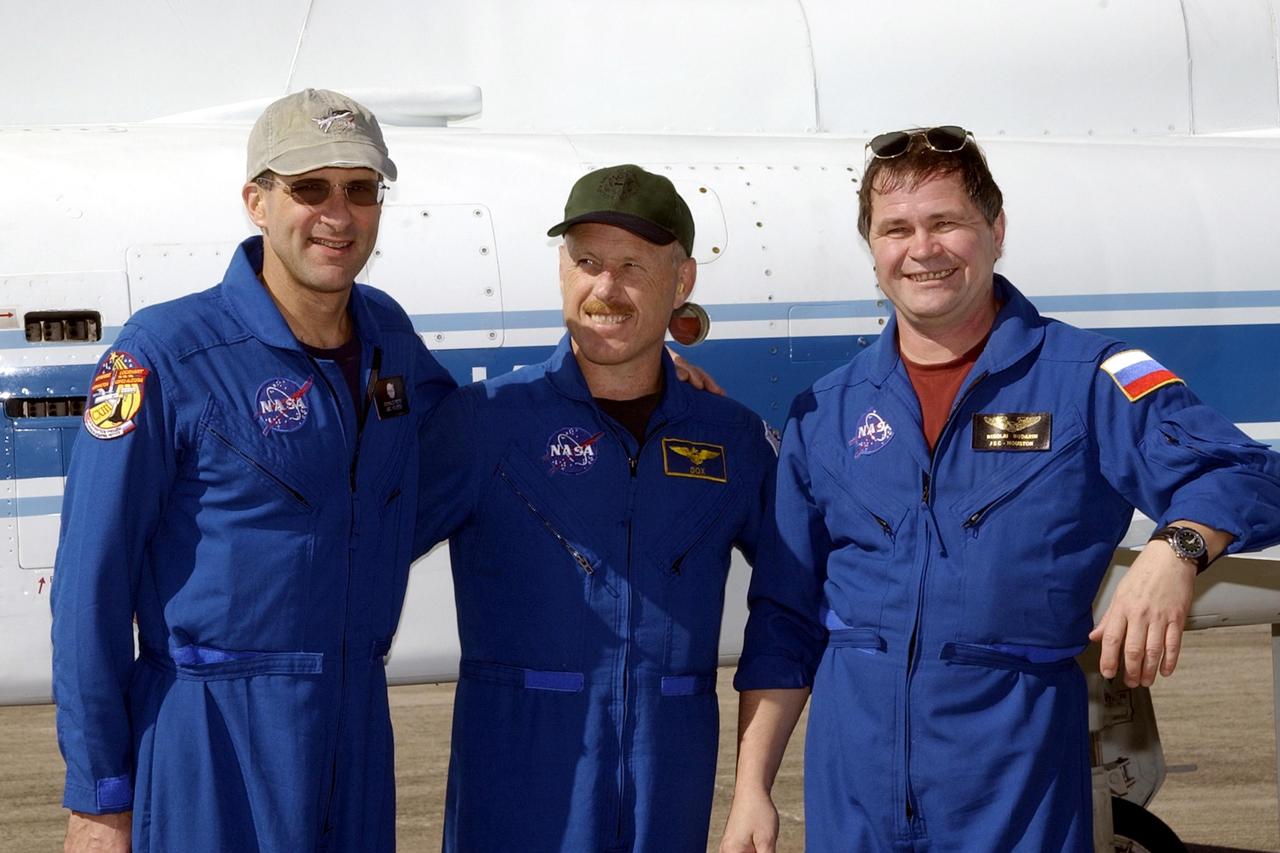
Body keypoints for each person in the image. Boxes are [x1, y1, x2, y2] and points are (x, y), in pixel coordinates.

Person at [720, 126, 1280, 851]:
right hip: (852, 797)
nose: (922, 249)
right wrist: (752, 792)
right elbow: (784, 622)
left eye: (945, 222)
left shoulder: (1085, 378)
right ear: (873, 248)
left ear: (995, 230)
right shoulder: (825, 412)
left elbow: (1247, 472)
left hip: (1013, 795)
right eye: (896, 229)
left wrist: (1176, 550)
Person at [51, 89, 458, 852]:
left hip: (356, 733)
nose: (337, 214)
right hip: (211, 742)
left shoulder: (391, 341)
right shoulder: (163, 354)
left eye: (361, 189)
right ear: (257, 201)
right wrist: (99, 799)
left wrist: (639, 376)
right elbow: (89, 590)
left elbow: (484, 436)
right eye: (310, 187)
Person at [413, 164, 777, 852]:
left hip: (668, 807)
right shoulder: (486, 424)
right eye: (587, 262)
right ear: (562, 271)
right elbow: (349, 552)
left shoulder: (731, 442)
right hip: (518, 810)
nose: (605, 288)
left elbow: (807, 599)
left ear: (683, 281)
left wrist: (754, 784)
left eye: (633, 266)